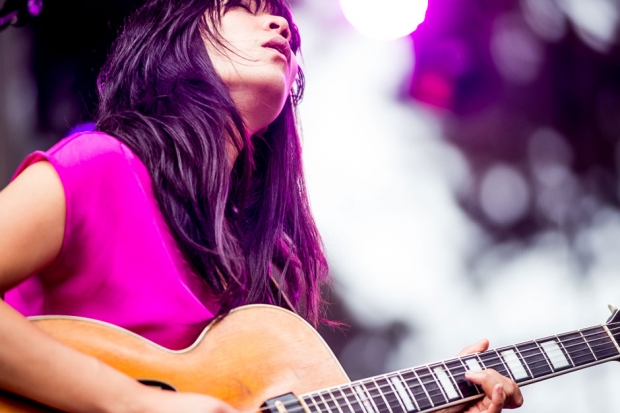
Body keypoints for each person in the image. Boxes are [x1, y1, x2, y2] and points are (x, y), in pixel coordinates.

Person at [0, 0, 524, 412]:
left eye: (288, 31)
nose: (278, 26)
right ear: (176, 41)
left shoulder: (261, 276)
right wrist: (134, 402)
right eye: (244, 7)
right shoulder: (102, 165)